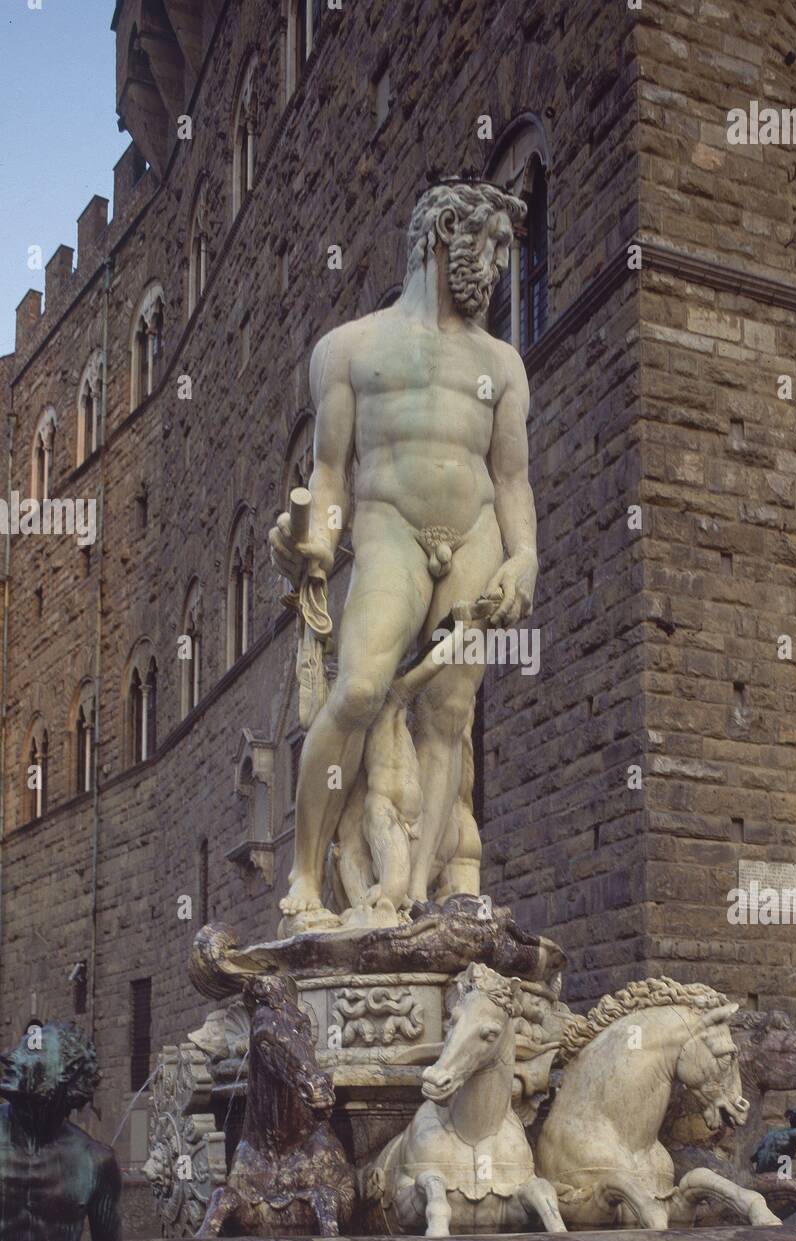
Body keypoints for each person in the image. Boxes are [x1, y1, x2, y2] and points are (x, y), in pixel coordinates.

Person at [269, 179, 537, 925]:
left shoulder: (502, 364)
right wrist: (317, 540)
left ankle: (412, 890)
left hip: (477, 534)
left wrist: (525, 558)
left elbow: (510, 478)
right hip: (389, 528)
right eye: (491, 250)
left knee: (450, 712)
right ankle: (305, 878)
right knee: (356, 690)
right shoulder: (350, 348)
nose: (499, 271)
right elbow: (330, 473)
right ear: (447, 230)